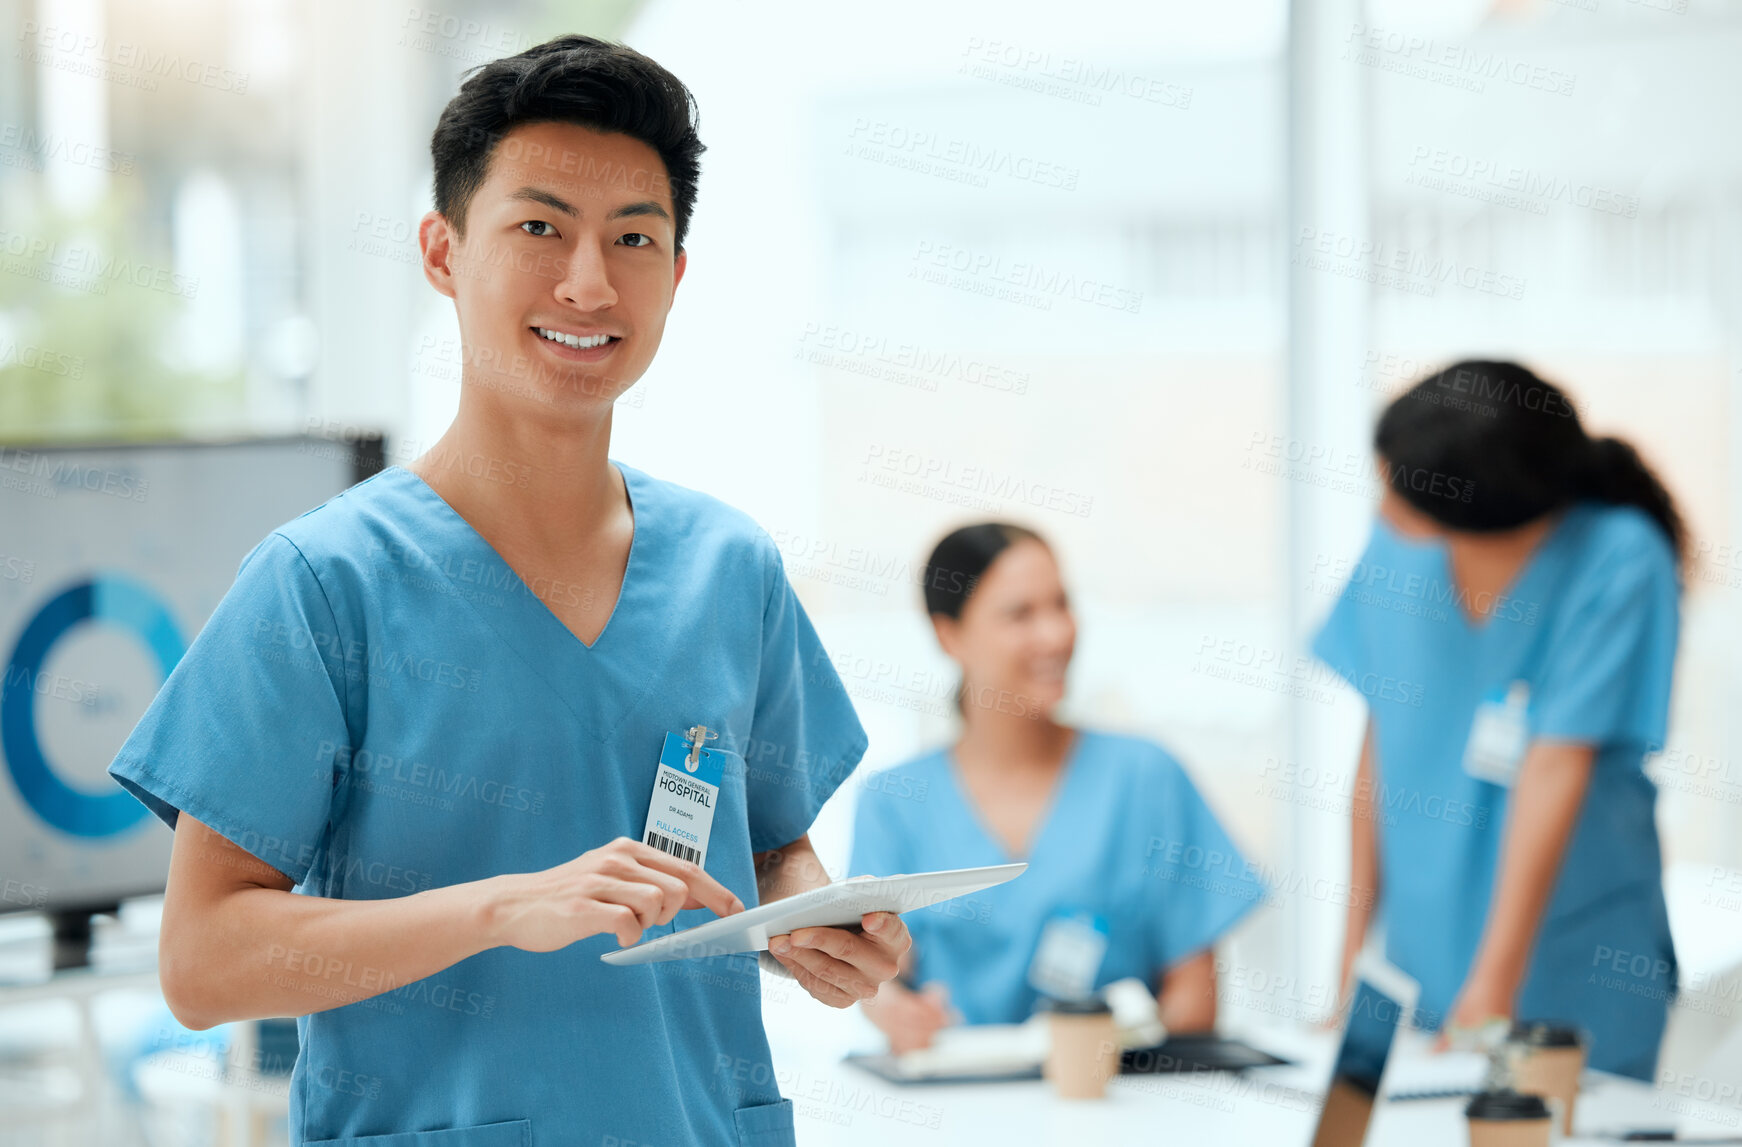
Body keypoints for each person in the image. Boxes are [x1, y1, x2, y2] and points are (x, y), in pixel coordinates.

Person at [106, 36, 909, 1146]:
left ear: (674, 276)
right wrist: (499, 910)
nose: (588, 281)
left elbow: (770, 846)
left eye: (634, 238)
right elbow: (202, 965)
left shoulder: (732, 570)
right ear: (442, 252)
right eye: (539, 228)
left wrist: (814, 920)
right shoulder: (322, 586)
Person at [1314, 360, 1684, 1080]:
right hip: (1425, 962)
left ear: (1485, 511)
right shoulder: (1399, 545)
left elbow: (1555, 765)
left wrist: (1493, 984)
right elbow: (1379, 750)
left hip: (1570, 967)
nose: (1383, 503)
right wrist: (1351, 967)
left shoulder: (1618, 558)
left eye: (1403, 490)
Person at [849, 523, 1265, 1053]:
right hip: (962, 1112)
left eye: (1061, 605)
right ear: (948, 635)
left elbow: (1195, 1001)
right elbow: (879, 980)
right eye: (1020, 614)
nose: (1056, 634)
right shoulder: (895, 802)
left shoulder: (1146, 778)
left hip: (1118, 1106)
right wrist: (890, 1011)